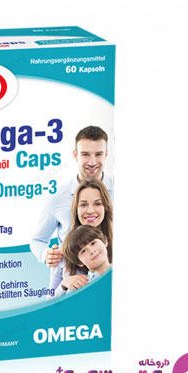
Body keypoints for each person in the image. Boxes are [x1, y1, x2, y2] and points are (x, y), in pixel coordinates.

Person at [30, 126, 113, 272]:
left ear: (106, 154)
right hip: (71, 276)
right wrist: (46, 255)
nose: (92, 162)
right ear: (75, 155)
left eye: (98, 154)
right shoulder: (57, 197)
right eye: (85, 154)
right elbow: (37, 240)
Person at [45, 179, 113, 293]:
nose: (90, 211)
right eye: (83, 204)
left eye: (97, 203)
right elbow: (50, 299)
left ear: (105, 207)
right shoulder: (61, 252)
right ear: (76, 209)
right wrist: (64, 284)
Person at [54, 225, 112, 297]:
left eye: (93, 243)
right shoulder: (78, 288)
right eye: (83, 251)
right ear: (79, 262)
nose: (92, 251)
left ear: (105, 241)